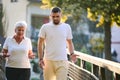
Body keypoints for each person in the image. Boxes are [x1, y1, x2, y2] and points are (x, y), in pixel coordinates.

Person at [37, 7, 77, 80]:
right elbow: (40, 43)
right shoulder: (45, 27)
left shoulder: (67, 27)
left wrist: (72, 53)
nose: (55, 18)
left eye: (57, 16)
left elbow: (70, 43)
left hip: (62, 61)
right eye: (53, 16)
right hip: (48, 61)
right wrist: (40, 58)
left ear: (61, 15)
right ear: (50, 16)